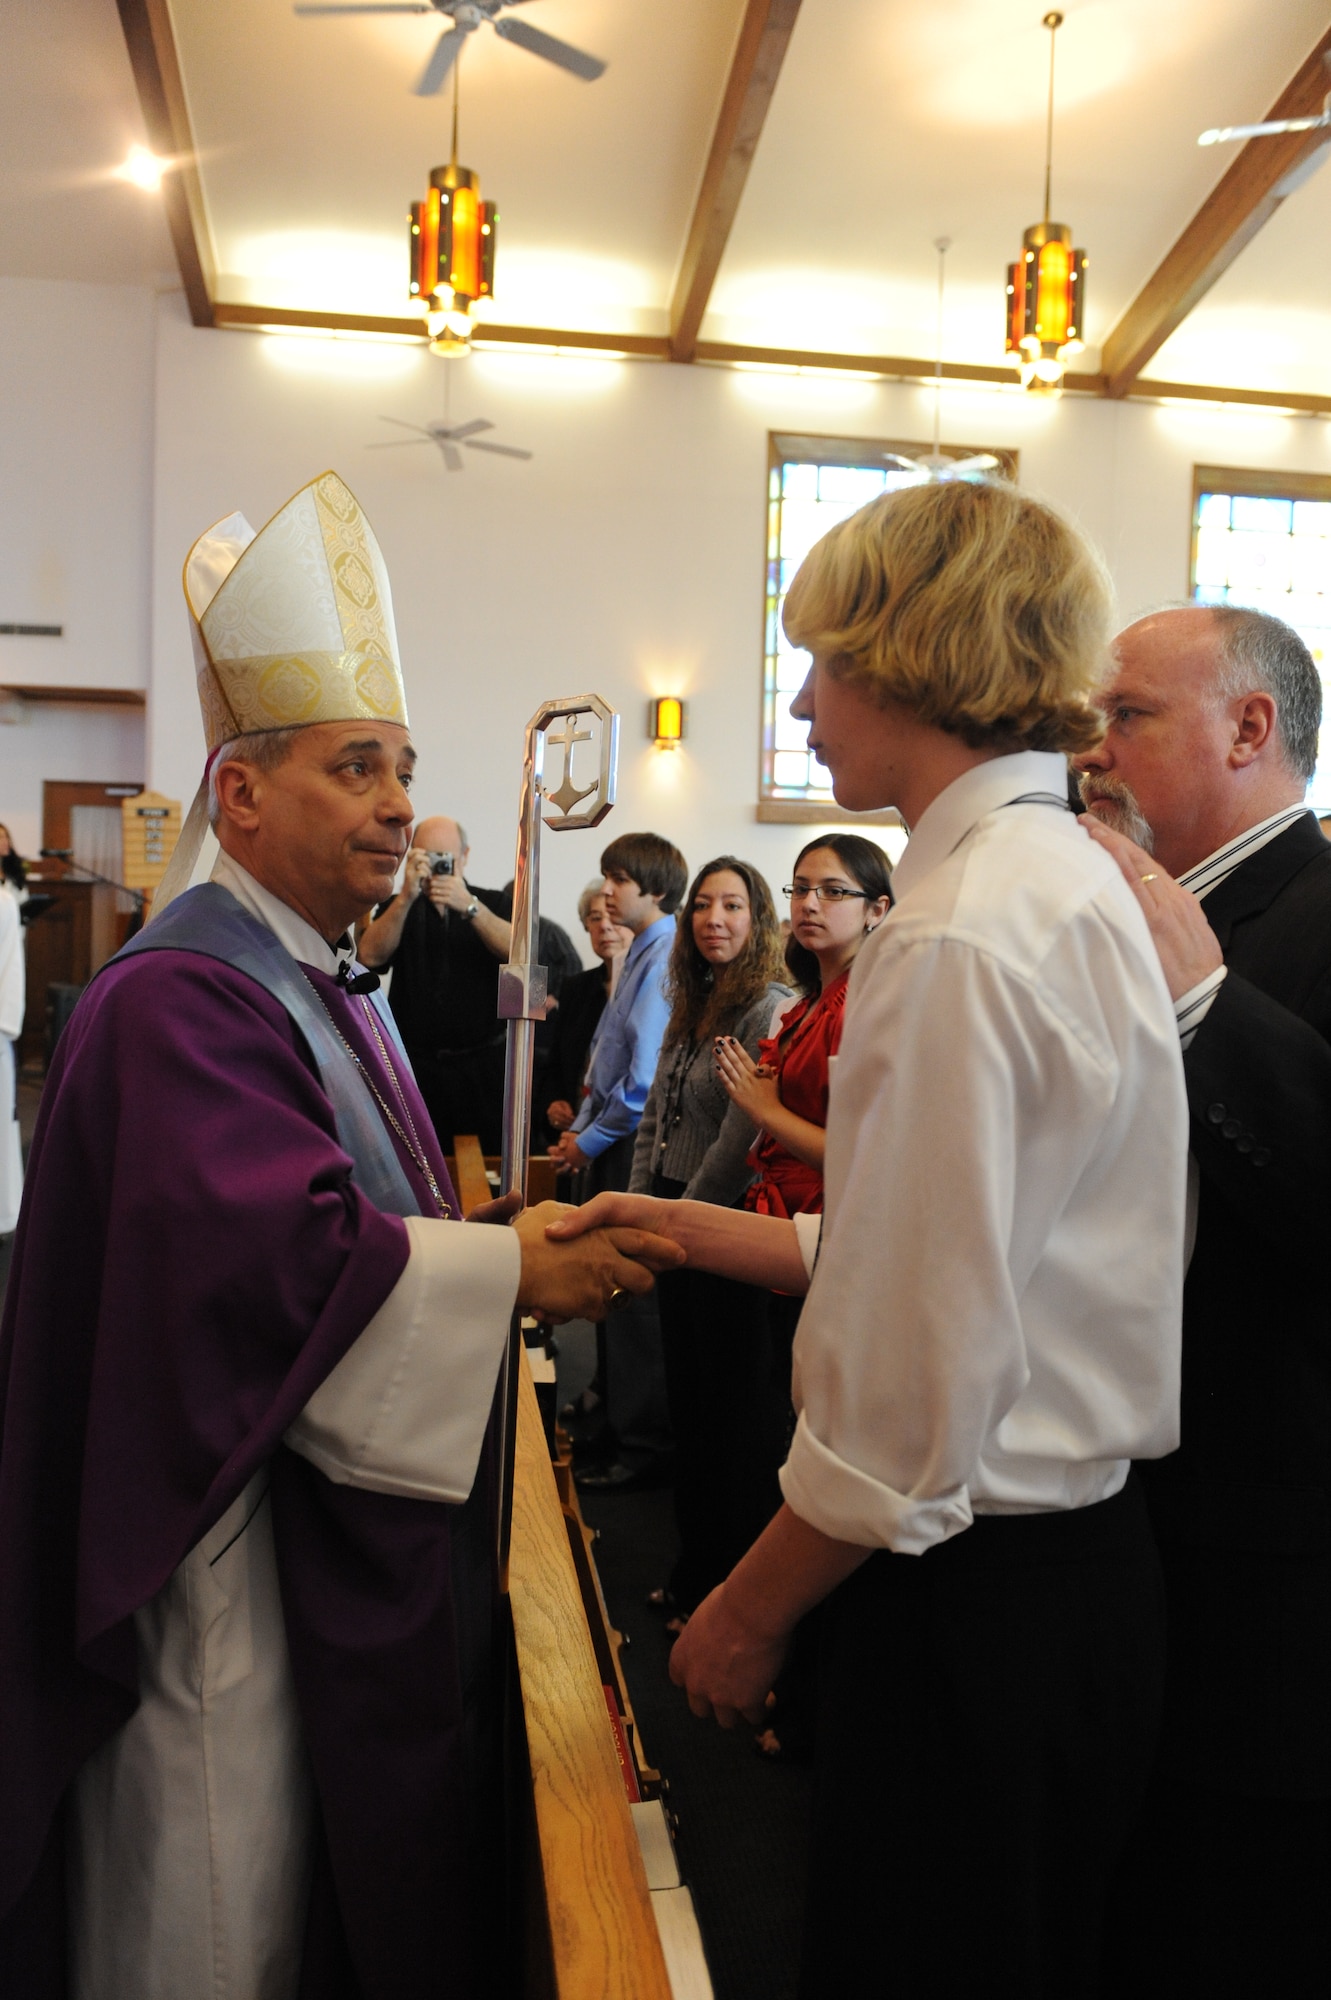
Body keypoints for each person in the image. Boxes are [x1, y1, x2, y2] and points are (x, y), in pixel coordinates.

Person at [0, 470, 681, 1999]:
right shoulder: (185, 993)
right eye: (354, 767)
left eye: (404, 769)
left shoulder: (309, 971)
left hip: (288, 1513)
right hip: (218, 1544)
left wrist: (493, 1226)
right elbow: (264, 1264)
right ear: (239, 794)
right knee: (215, 1897)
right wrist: (513, 1270)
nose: (392, 804)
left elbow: (365, 1211)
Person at [548, 478, 1189, 1996]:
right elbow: (986, 1249)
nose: (801, 702)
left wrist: (745, 1607)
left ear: (911, 658)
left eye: (821, 662)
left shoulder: (958, 925)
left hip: (974, 1586)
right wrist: (689, 1228)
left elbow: (916, 1379)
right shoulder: (1049, 875)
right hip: (1058, 1578)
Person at [1073, 602, 1331, 1995]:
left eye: (1125, 714)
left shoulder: (1309, 913)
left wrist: (1205, 1011)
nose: (1092, 749)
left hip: (1264, 1572)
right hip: (1131, 1532)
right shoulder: (1129, 912)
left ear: (1248, 728)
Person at [712, 832, 890, 1752]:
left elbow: (863, 1154)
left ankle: (800, 1674)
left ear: (878, 909)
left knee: (802, 1449)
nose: (810, 905)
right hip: (779, 1220)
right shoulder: (816, 997)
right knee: (761, 1438)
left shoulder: (868, 1002)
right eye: (800, 889)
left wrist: (765, 1111)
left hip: (826, 1233)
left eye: (833, 890)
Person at [627, 856, 789, 1626]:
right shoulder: (693, 998)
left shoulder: (767, 1007)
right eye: (702, 906)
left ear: (757, 921)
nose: (712, 920)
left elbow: (739, 1140)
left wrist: (678, 1223)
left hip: (719, 1227)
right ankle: (694, 1573)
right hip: (671, 1212)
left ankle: (727, 1595)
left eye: (731, 906)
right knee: (689, 1410)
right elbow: (655, 1115)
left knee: (732, 1420)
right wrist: (637, 1207)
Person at [550, 830, 686, 1492]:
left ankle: (639, 1444)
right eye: (606, 878)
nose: (607, 892)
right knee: (606, 1281)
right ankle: (614, 1420)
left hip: (629, 1139)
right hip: (607, 1132)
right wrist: (578, 1128)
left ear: (654, 889)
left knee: (629, 1295)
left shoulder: (663, 958)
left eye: (619, 880)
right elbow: (607, 1049)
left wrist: (589, 1140)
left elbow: (640, 1083)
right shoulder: (640, 951)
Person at [358, 816, 579, 1155]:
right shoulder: (398, 906)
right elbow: (369, 957)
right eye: (427, 856)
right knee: (418, 1159)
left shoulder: (496, 903)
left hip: (484, 1070)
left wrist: (471, 908)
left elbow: (525, 958)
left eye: (445, 857)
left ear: (465, 856)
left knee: (488, 1163)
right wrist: (405, 896)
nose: (438, 865)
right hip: (415, 1066)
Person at [537, 880, 632, 1153]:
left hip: (627, 1138)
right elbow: (555, 1064)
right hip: (573, 1136)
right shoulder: (575, 987)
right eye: (595, 918)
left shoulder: (654, 986)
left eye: (612, 916)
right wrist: (554, 1103)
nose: (605, 926)